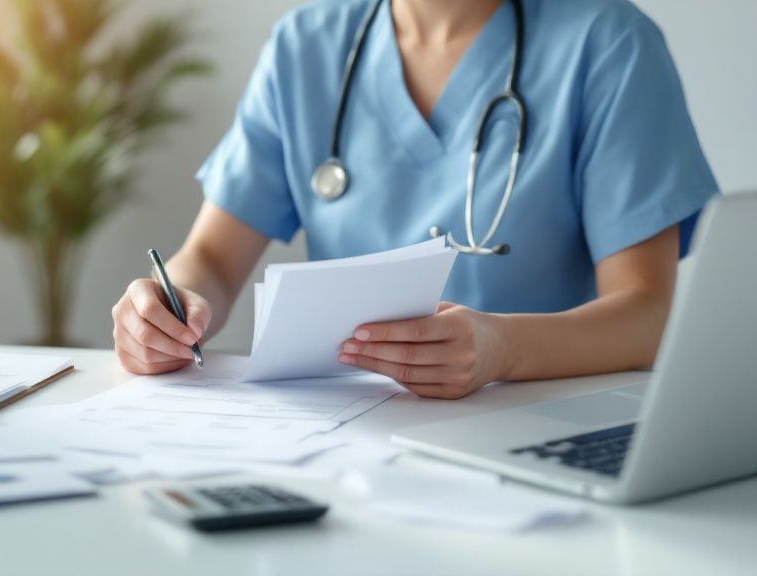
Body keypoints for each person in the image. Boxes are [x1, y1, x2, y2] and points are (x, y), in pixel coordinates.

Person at [111, 0, 718, 399]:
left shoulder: (608, 43)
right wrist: (165, 309)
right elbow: (212, 262)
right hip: (336, 436)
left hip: (527, 418)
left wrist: (501, 348)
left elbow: (645, 314)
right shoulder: (306, 46)